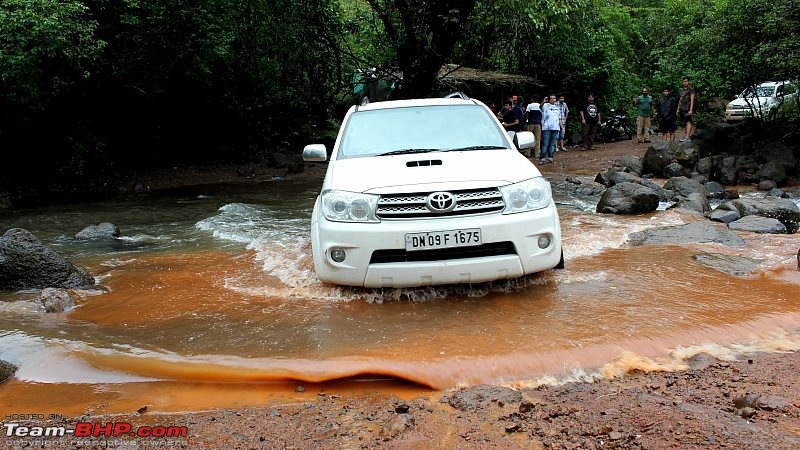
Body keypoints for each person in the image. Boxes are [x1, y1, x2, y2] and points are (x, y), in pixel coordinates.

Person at [540, 95, 561, 163]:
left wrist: (562, 127)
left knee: (552, 144)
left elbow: (559, 118)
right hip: (546, 127)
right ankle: (542, 157)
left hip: (555, 127)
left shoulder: (557, 107)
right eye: (551, 98)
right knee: (545, 143)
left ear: (555, 99)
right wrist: (543, 102)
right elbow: (540, 107)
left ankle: (550, 157)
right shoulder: (545, 105)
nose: (552, 99)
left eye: (554, 98)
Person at [677, 77, 696, 142]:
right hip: (682, 108)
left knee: (688, 121)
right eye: (684, 81)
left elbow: (692, 100)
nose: (684, 83)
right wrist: (678, 109)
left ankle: (688, 136)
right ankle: (685, 135)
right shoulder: (682, 90)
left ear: (689, 82)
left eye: (686, 81)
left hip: (687, 108)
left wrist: (691, 109)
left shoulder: (691, 89)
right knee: (684, 122)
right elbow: (680, 99)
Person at [525, 95, 542, 160]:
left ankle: (528, 153)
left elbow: (527, 114)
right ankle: (537, 154)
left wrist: (527, 120)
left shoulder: (529, 105)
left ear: (532, 99)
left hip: (530, 123)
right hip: (538, 123)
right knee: (537, 139)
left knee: (529, 138)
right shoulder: (540, 105)